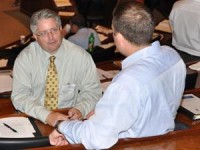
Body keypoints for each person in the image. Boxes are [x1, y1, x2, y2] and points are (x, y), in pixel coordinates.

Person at [49, 1, 186, 149]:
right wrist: (106, 111)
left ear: (119, 37)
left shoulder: (127, 82)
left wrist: (62, 126)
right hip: (163, 142)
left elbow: (95, 138)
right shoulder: (173, 57)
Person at [11, 9, 102, 127]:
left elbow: (93, 91)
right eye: (43, 33)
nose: (51, 37)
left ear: (61, 29)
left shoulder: (80, 56)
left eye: (54, 30)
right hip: (36, 117)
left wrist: (81, 109)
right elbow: (20, 96)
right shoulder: (25, 59)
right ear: (34, 36)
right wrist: (47, 115)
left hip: (70, 119)